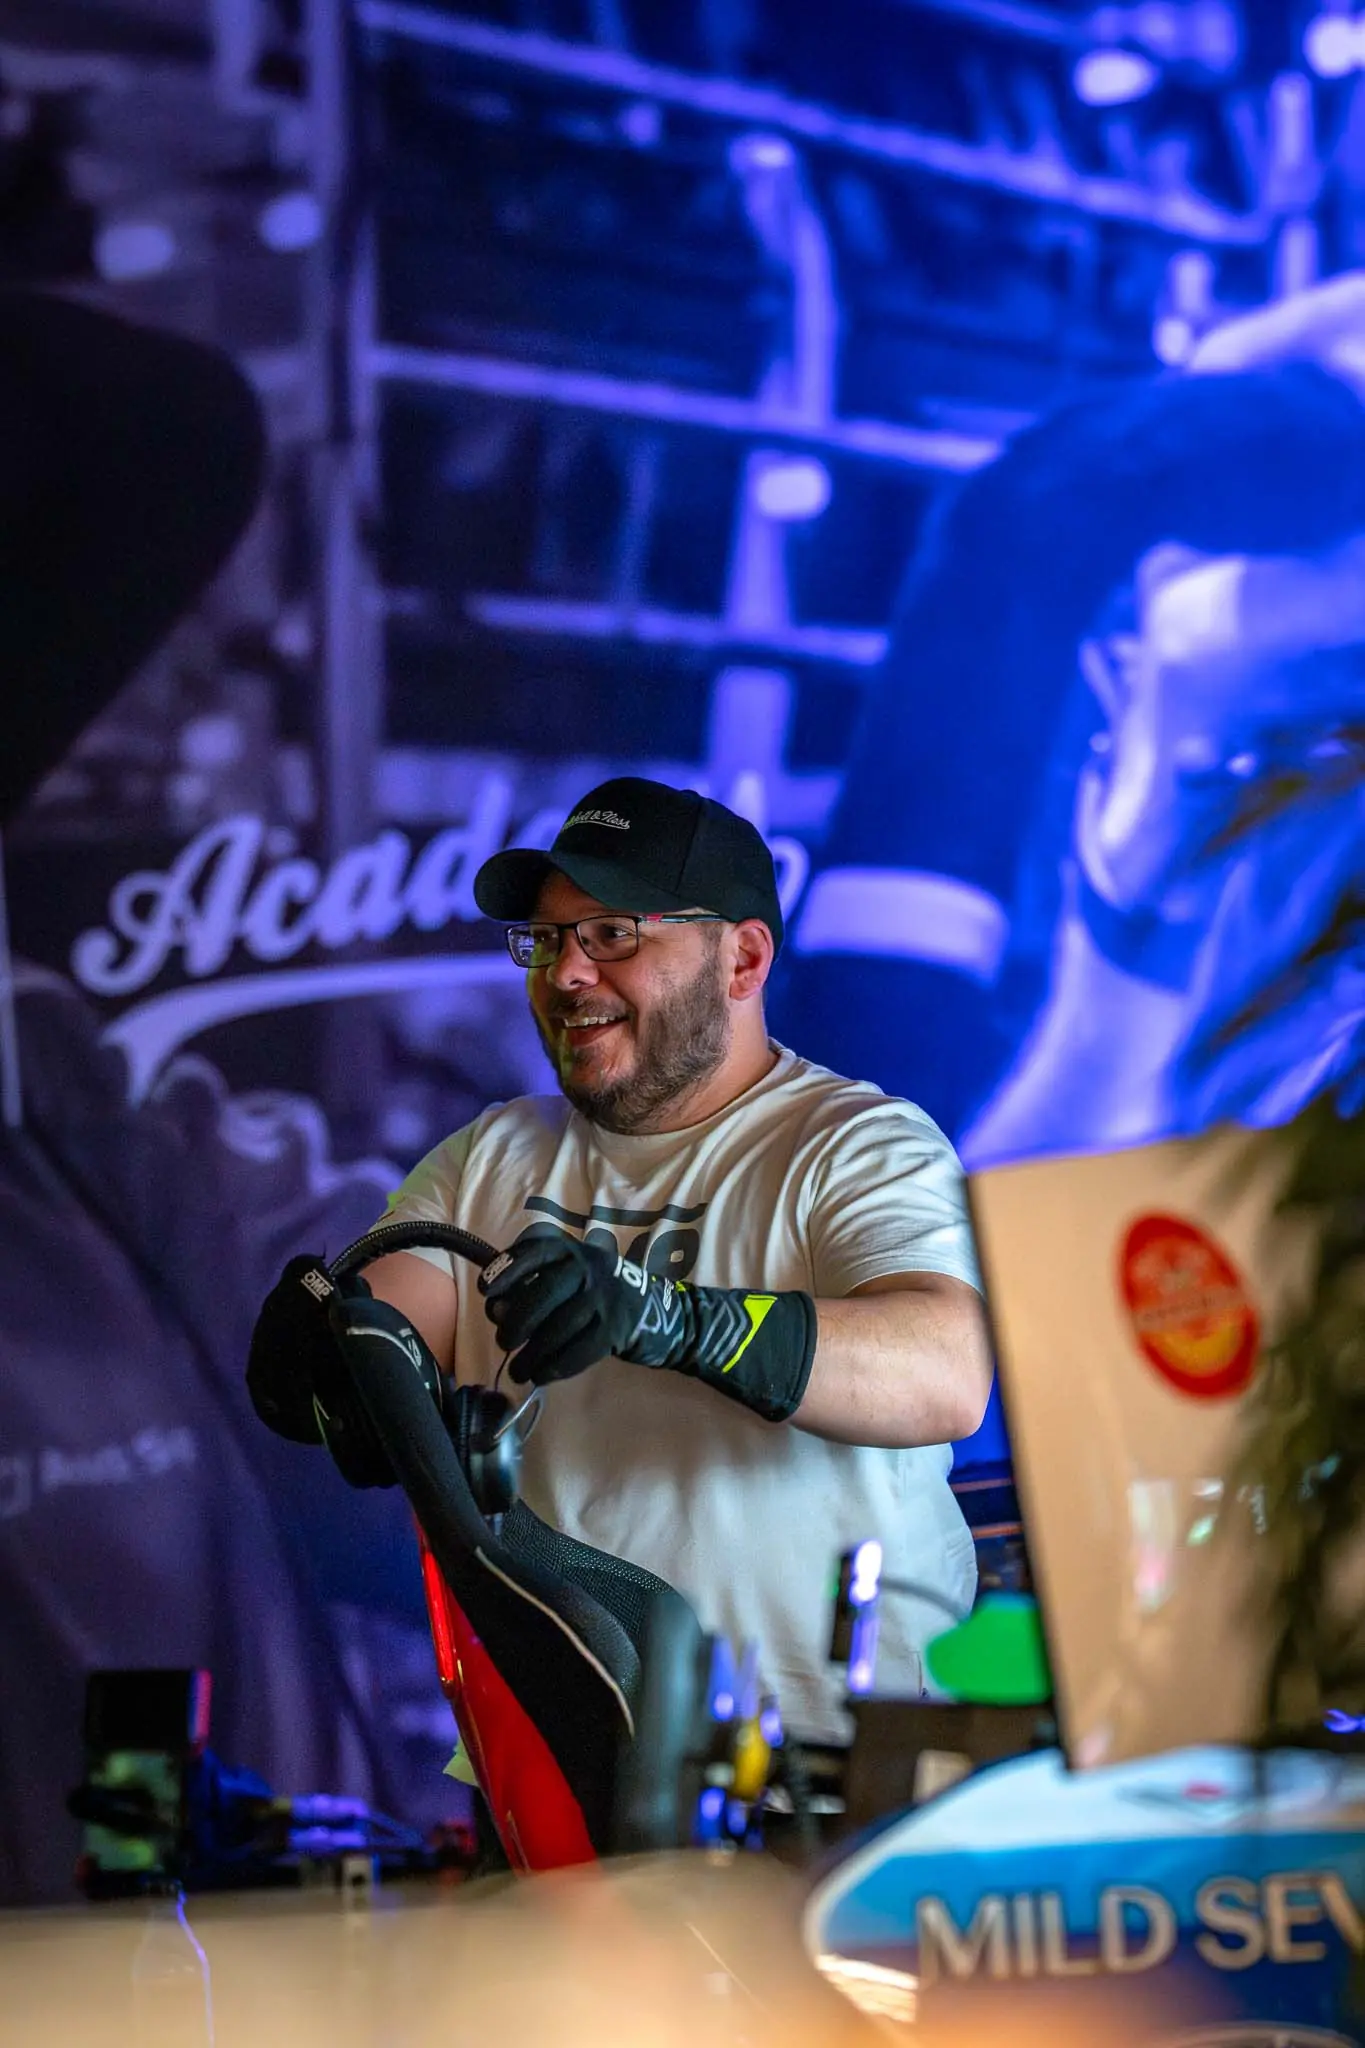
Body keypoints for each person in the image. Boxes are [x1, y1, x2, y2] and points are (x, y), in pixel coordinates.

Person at [346, 775, 992, 1745]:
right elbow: (377, 1332)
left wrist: (669, 1315)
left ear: (743, 958)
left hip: (828, 1772)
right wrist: (328, 1351)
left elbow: (946, 1372)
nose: (565, 972)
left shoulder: (860, 1142)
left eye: (611, 932)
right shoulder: (489, 1154)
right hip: (552, 1774)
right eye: (548, 938)